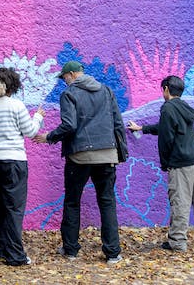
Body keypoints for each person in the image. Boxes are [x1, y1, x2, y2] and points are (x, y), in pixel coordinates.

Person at [32, 61, 125, 265]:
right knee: (107, 202)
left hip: (80, 156)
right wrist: (119, 153)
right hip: (107, 154)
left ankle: (71, 249)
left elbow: (69, 125)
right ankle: (112, 253)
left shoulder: (69, 94)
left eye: (64, 77)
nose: (64, 81)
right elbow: (117, 121)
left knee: (73, 201)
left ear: (72, 74)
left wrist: (49, 136)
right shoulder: (106, 90)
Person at [126, 75, 194, 252]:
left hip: (181, 164)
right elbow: (165, 127)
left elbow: (166, 138)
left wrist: (166, 164)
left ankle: (177, 243)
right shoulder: (184, 107)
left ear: (166, 89)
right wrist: (142, 128)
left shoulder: (167, 108)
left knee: (180, 203)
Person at [0, 67, 43, 266]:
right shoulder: (16, 105)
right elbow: (30, 131)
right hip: (13, 161)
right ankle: (15, 255)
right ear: (13, 85)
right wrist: (38, 116)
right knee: (14, 208)